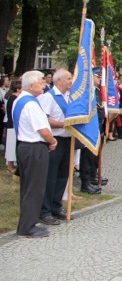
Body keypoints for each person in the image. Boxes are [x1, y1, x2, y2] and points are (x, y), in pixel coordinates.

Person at [15, 70, 57, 238]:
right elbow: (43, 130)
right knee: (35, 188)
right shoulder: (31, 104)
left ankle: (26, 222)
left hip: (24, 146)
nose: (44, 84)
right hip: (34, 148)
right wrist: (52, 141)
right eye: (41, 82)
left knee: (28, 187)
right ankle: (28, 226)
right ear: (31, 86)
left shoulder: (20, 100)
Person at [37, 69, 73, 226]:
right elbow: (44, 119)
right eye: (68, 79)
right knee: (50, 176)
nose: (71, 81)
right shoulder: (48, 97)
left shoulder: (69, 97)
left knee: (62, 176)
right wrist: (64, 124)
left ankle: (56, 205)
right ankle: (44, 210)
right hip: (55, 139)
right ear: (59, 81)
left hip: (67, 140)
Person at [3, 79, 21, 174]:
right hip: (12, 124)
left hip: (13, 124)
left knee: (12, 144)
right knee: (11, 145)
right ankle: (10, 165)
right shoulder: (13, 98)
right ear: (18, 89)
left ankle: (11, 164)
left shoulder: (13, 98)